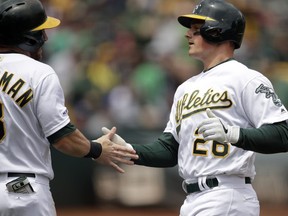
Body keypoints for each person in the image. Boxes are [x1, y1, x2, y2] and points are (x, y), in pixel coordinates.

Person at [104, 0, 288, 215]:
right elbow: (169, 150)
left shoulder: (246, 79)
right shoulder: (185, 88)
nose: (188, 35)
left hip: (227, 193)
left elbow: (283, 133)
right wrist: (129, 150)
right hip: (193, 199)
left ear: (217, 31)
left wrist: (234, 134)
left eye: (196, 29)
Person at [0, 0, 138, 216]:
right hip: (25, 190)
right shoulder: (38, 72)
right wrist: (97, 149)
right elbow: (62, 138)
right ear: (28, 37)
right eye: (41, 31)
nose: (45, 37)